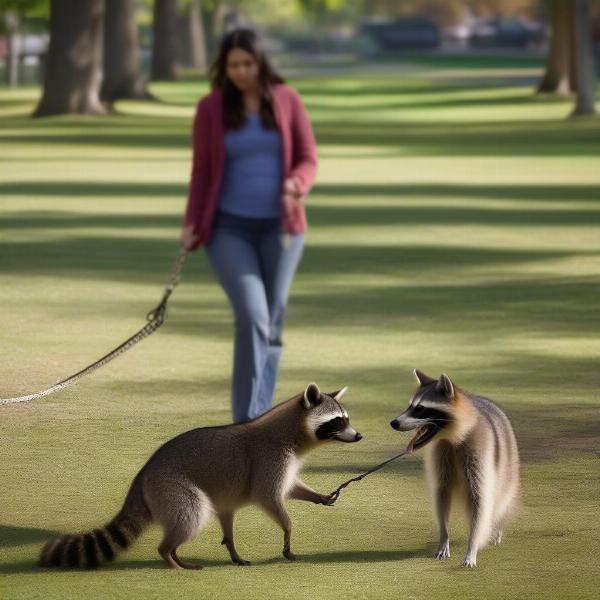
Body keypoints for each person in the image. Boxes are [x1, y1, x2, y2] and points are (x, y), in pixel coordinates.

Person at [181, 28, 318, 423]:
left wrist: (298, 183)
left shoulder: (288, 100)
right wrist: (192, 222)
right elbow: (201, 171)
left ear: (260, 63)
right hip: (228, 230)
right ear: (223, 68)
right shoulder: (211, 109)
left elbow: (308, 157)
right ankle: (245, 423)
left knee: (273, 323)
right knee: (254, 317)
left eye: (248, 63)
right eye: (233, 65)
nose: (241, 71)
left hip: (283, 230)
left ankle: (260, 418)